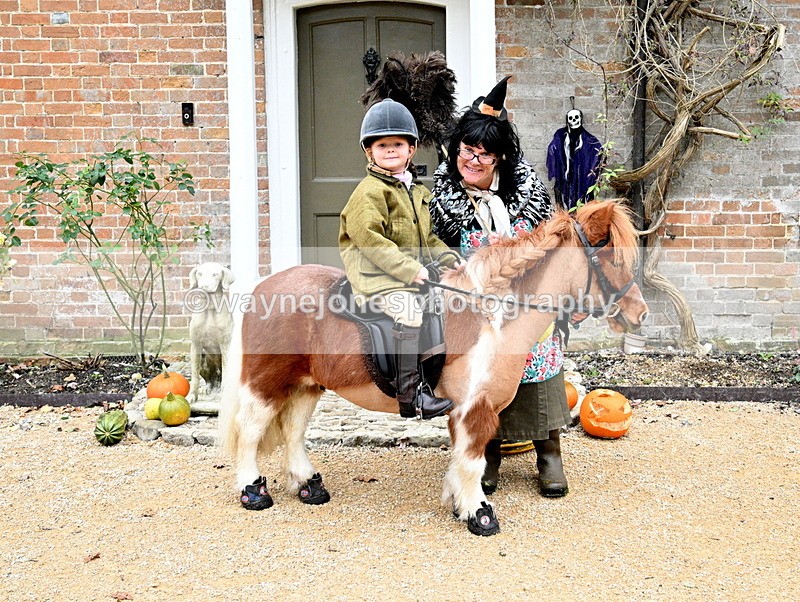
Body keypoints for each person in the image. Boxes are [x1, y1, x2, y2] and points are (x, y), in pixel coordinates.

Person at [429, 76, 571, 497]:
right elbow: (434, 244)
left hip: (524, 294)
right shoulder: (442, 189)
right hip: (471, 298)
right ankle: (486, 453)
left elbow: (550, 243)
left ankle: (549, 452)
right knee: (480, 371)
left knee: (536, 356)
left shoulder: (526, 187)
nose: (472, 161)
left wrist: (514, 246)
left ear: (501, 158)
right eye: (466, 151)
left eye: (484, 155)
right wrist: (476, 251)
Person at [339, 99, 457, 420]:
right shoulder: (369, 192)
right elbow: (371, 242)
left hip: (412, 272)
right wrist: (411, 270)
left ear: (411, 149)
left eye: (398, 144)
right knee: (408, 310)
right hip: (378, 276)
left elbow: (431, 237)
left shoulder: (418, 192)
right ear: (369, 152)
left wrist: (450, 261)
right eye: (382, 145)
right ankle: (411, 395)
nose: (390, 150)